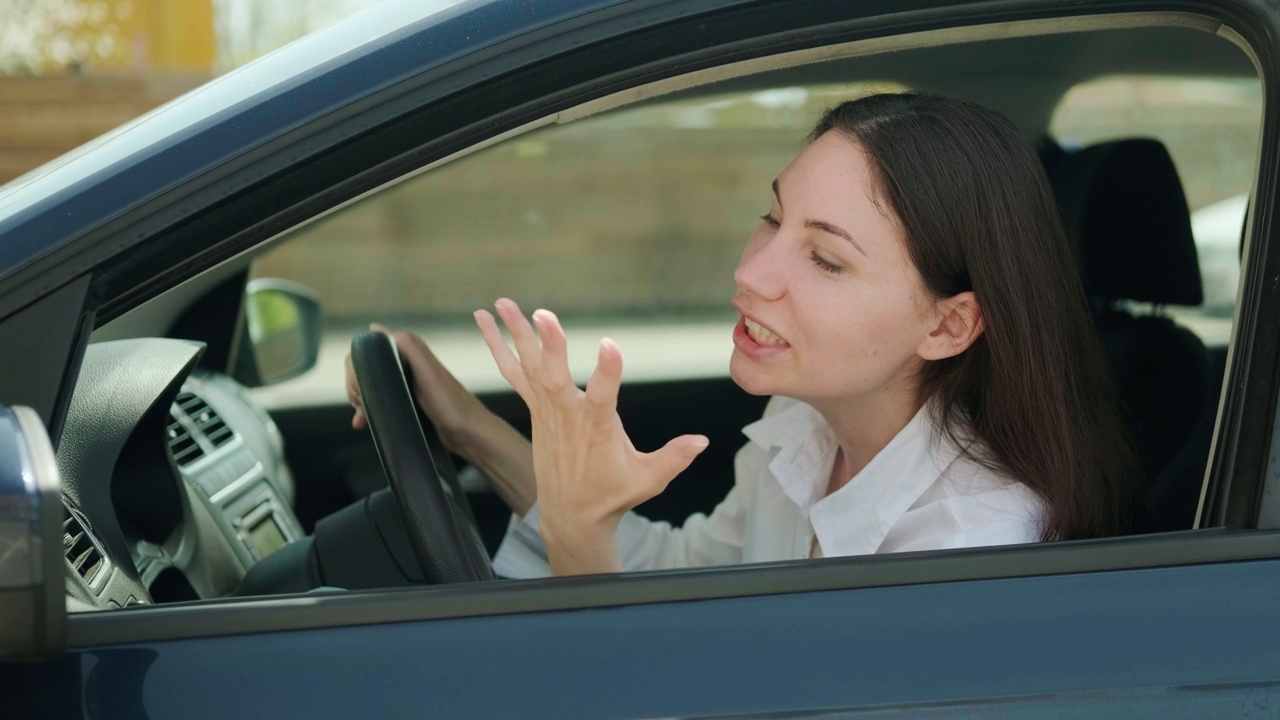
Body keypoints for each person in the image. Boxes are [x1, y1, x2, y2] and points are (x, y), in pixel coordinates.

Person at [346, 92, 1144, 578]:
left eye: (826, 259)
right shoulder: (806, 430)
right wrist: (471, 430)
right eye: (772, 217)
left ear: (948, 324)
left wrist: (579, 533)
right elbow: (677, 577)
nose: (752, 272)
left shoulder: (965, 550)